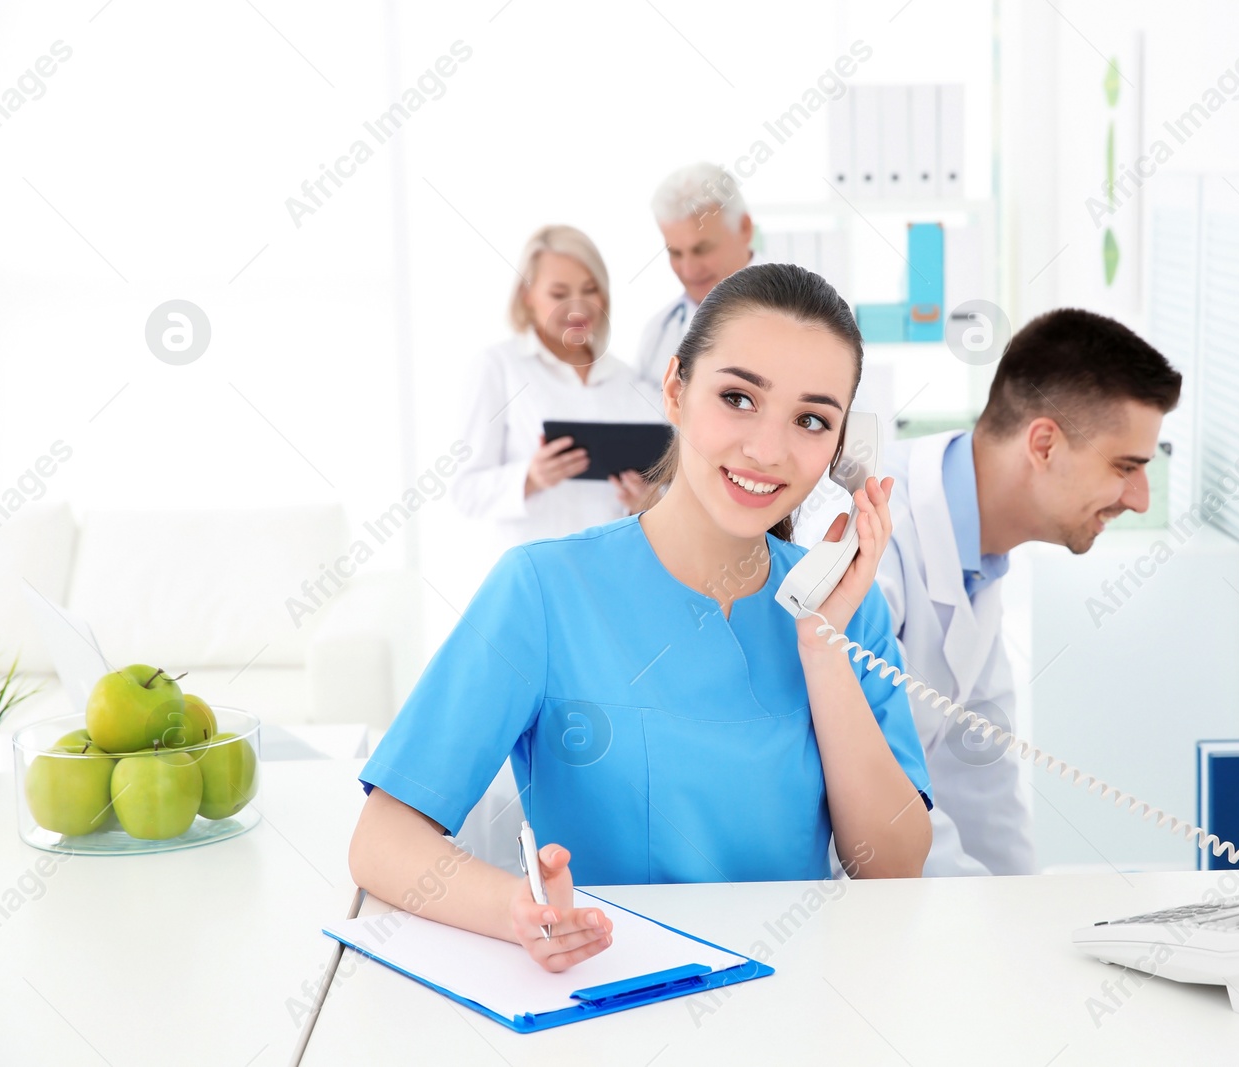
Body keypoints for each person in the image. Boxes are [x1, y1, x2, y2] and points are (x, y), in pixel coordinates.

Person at [350, 264, 932, 972]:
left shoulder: (846, 613)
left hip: (797, 1003)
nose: (768, 449)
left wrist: (822, 648)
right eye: (738, 397)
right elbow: (382, 841)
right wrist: (519, 911)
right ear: (675, 389)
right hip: (614, 1002)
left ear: (844, 448)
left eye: (812, 419)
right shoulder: (543, 590)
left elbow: (893, 868)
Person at [877, 308, 1182, 876]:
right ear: (1043, 444)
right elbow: (874, 798)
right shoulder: (877, 537)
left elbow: (980, 779)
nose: (1140, 498)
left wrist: (1025, 911)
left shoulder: (980, 559)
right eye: (1126, 466)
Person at [452, 224, 659, 551]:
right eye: (559, 294)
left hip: (612, 569)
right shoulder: (498, 367)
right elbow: (466, 491)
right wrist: (531, 478)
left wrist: (646, 502)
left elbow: (663, 496)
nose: (577, 308)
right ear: (527, 295)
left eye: (590, 289)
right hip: (536, 574)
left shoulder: (631, 381)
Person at [635, 163, 757, 394]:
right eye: (675, 253)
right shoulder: (657, 334)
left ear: (745, 228)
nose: (689, 271)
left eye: (702, 249)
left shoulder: (806, 315)